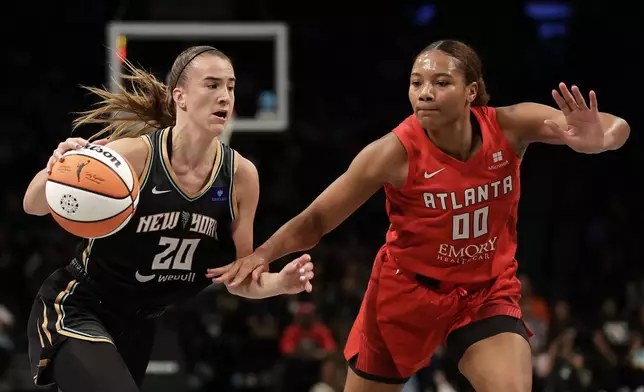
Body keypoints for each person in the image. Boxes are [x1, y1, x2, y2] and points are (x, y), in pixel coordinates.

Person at [207, 39, 630, 392]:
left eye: (441, 82)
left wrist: (601, 139)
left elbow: (615, 127)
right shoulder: (392, 153)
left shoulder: (511, 125)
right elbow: (317, 219)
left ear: (471, 91)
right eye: (416, 82)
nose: (424, 92)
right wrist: (262, 253)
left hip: (485, 292)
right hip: (405, 294)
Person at [22, 45, 315, 392]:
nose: (225, 96)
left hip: (139, 325)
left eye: (231, 87)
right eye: (212, 85)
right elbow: (34, 205)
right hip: (79, 305)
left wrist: (281, 283)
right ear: (181, 97)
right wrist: (58, 165)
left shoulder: (242, 177)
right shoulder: (135, 155)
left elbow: (240, 277)